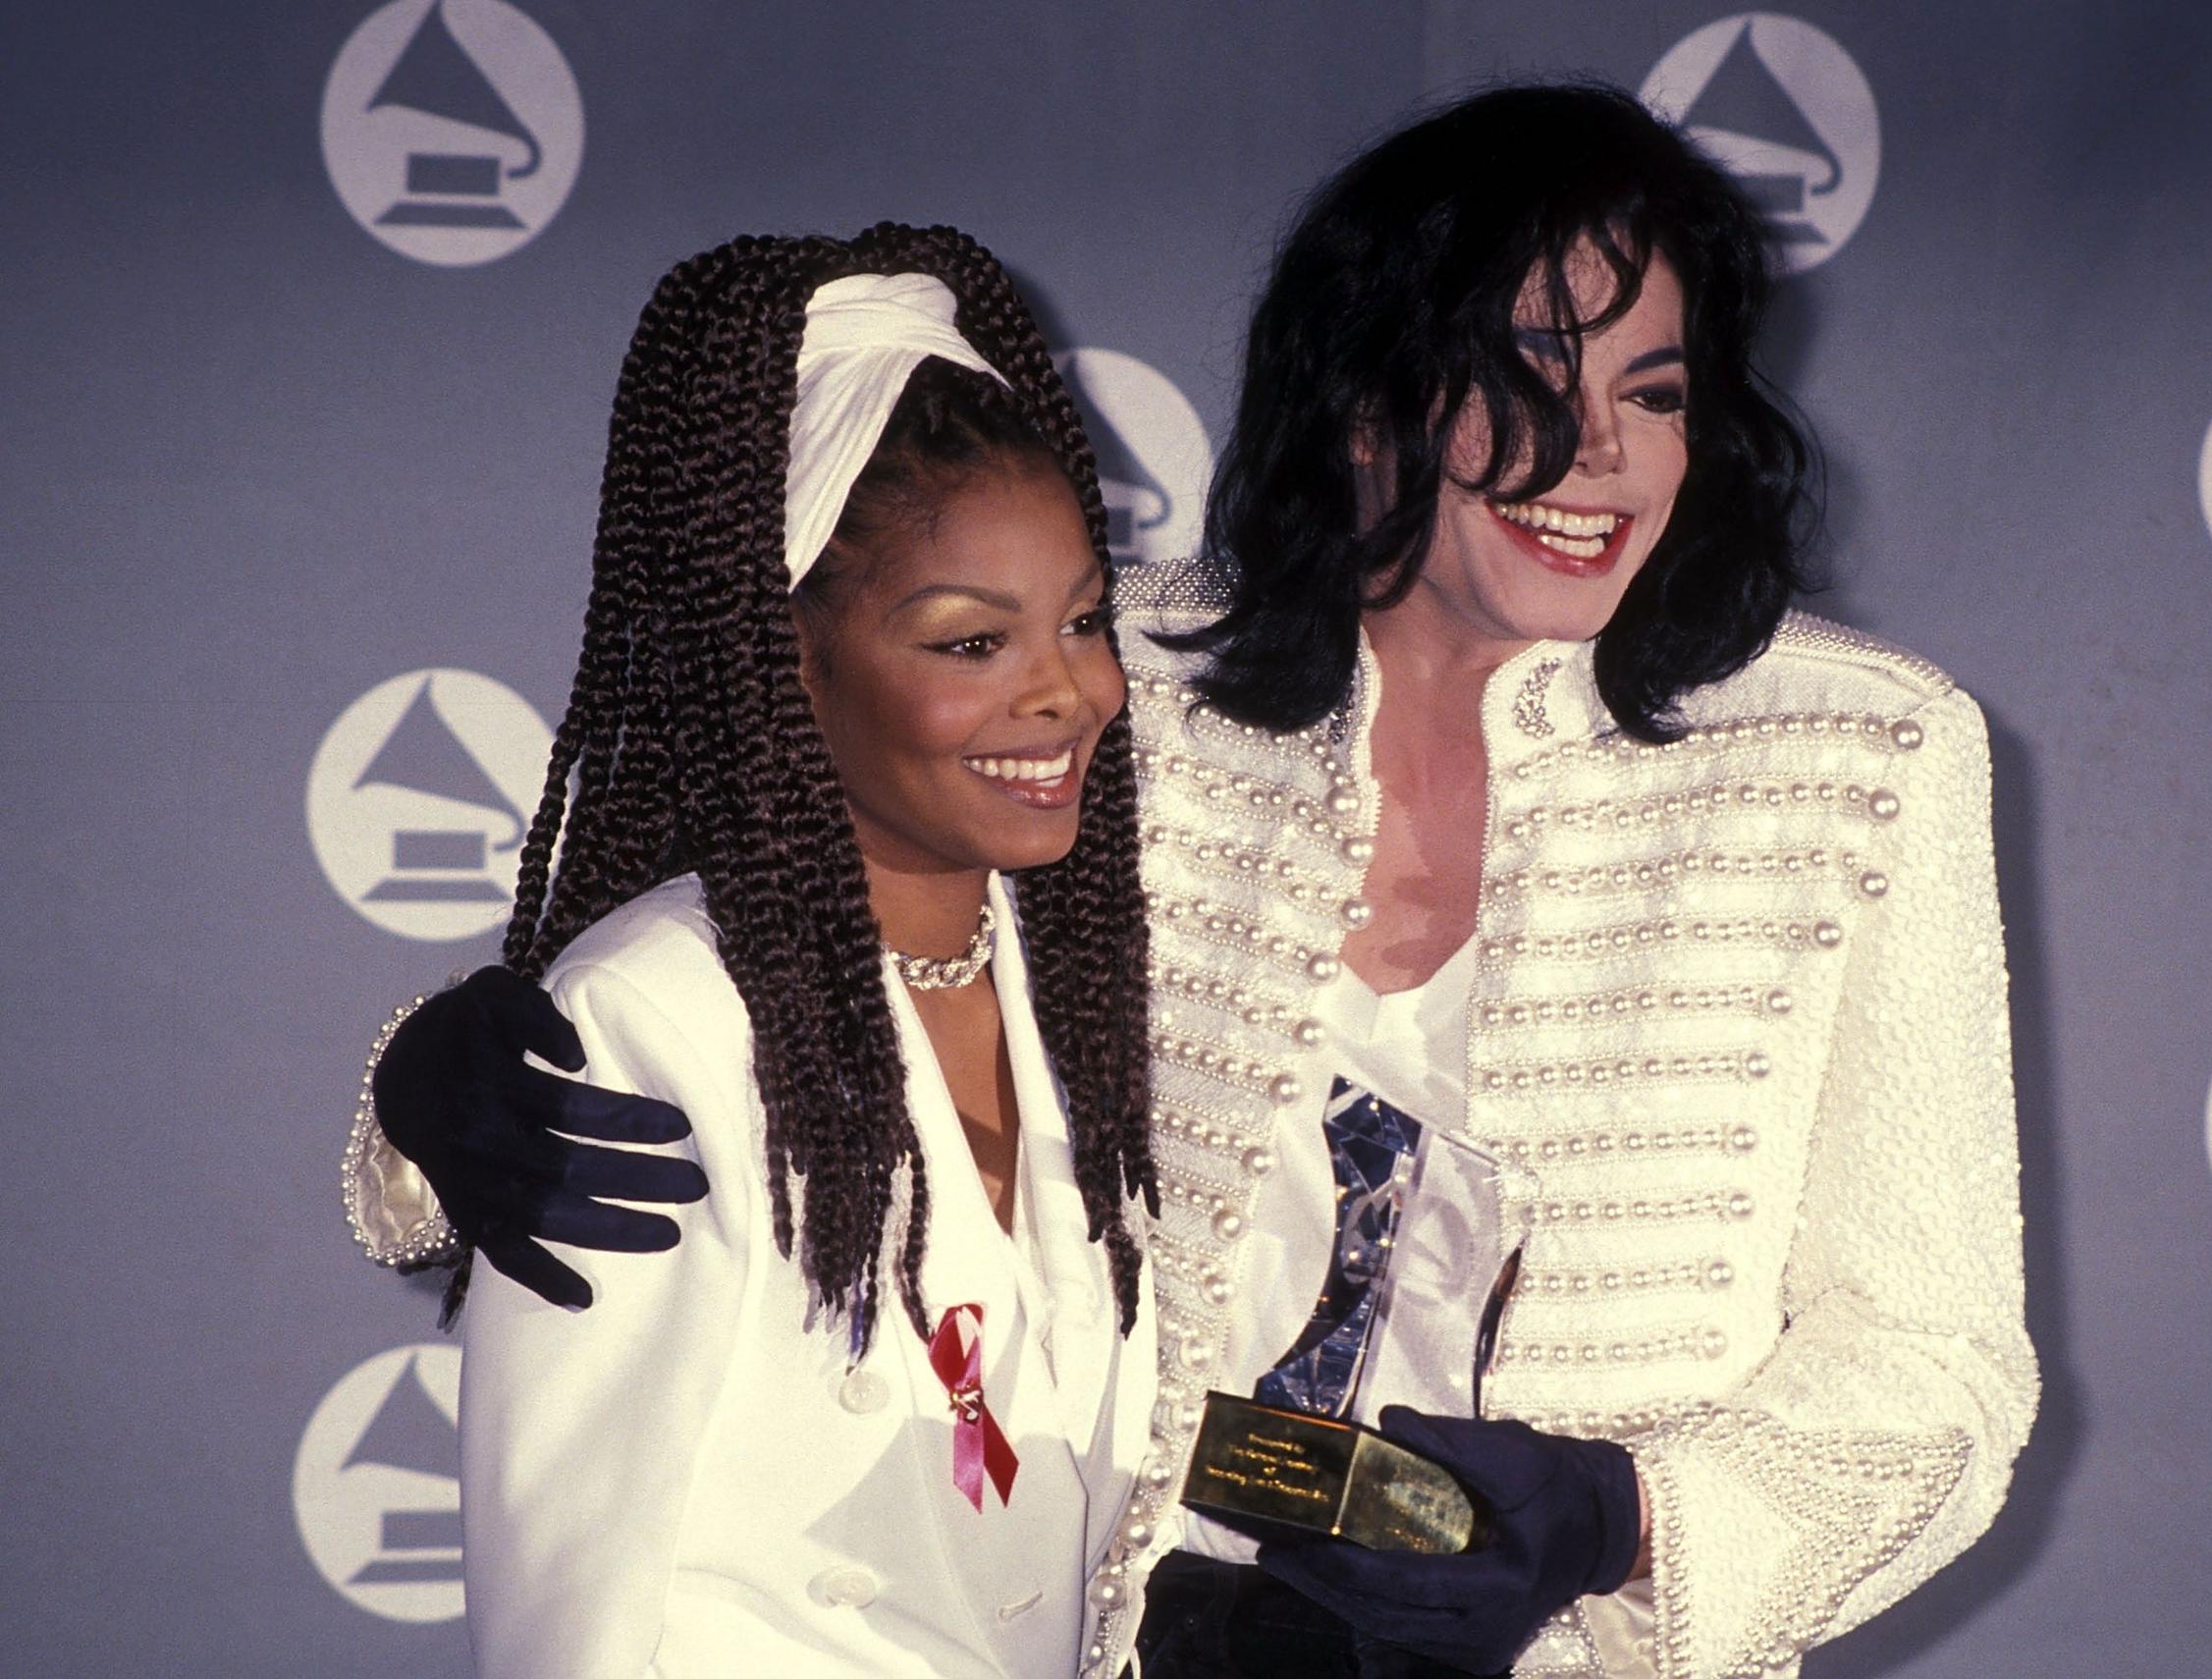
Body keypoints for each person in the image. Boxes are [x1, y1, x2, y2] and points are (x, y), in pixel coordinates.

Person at [348, 85, 2036, 1679]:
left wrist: (1629, 1515)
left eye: (1657, 393)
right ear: (1366, 395)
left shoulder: (1864, 758)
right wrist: (442, 1098)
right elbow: (789, 946)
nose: (1600, 453)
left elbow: (1940, 1370)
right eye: (1530, 374)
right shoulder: (1121, 677)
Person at [360, 225, 1164, 1678]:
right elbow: (579, 1601)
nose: (1069, 692)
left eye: (1085, 620)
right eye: (971, 643)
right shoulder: (656, 1021)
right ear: (783, 658)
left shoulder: (1088, 987)